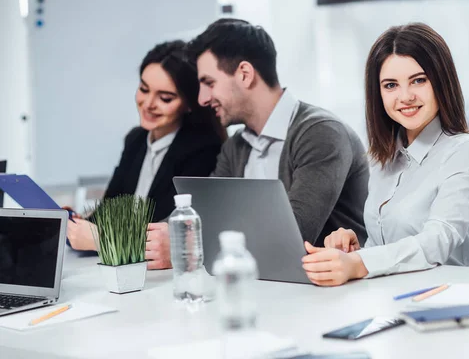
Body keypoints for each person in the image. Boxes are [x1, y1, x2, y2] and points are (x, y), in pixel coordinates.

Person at [302, 23, 469, 287]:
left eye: (418, 80)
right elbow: (386, 251)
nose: (405, 96)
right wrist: (354, 251)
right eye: (391, 85)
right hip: (399, 300)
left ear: (441, 82)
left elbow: (436, 242)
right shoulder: (382, 160)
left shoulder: (466, 152)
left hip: (463, 303)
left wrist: (360, 264)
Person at [187, 18, 369, 247]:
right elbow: (205, 211)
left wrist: (189, 239)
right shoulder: (236, 147)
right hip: (265, 281)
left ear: (245, 74)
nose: (202, 99)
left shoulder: (321, 133)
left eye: (209, 83)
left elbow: (290, 237)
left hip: (330, 281)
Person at [67, 41, 227, 270]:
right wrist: (79, 222)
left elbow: (168, 232)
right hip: (122, 268)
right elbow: (111, 208)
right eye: (144, 89)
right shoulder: (135, 140)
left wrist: (99, 238)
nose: (148, 104)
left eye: (165, 98)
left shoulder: (204, 150)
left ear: (189, 104)